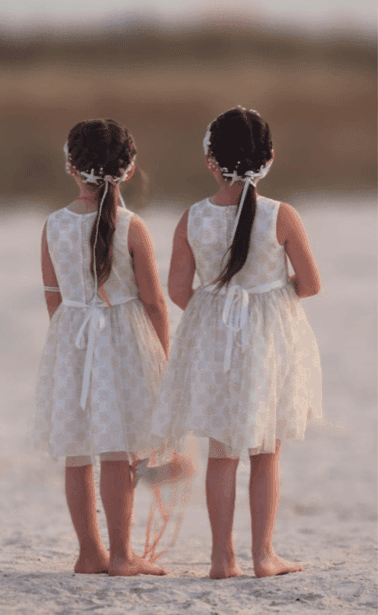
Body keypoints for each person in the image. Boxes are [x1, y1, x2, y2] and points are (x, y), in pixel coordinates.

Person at [151, 106, 323, 579]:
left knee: (222, 452)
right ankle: (263, 555)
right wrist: (268, 295)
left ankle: (221, 558)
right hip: (269, 342)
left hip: (214, 342)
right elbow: (310, 284)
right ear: (269, 158)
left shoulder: (193, 218)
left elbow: (179, 291)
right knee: (266, 452)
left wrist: (219, 310)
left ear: (210, 160)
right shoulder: (281, 215)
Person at [33, 118, 170, 577]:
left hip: (72, 343)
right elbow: (153, 302)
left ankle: (88, 552)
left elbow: (54, 296)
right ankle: (120, 554)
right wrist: (162, 357)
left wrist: (73, 347)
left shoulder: (53, 225)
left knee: (78, 453)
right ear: (128, 170)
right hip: (124, 345)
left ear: (71, 166)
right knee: (119, 451)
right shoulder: (133, 226)